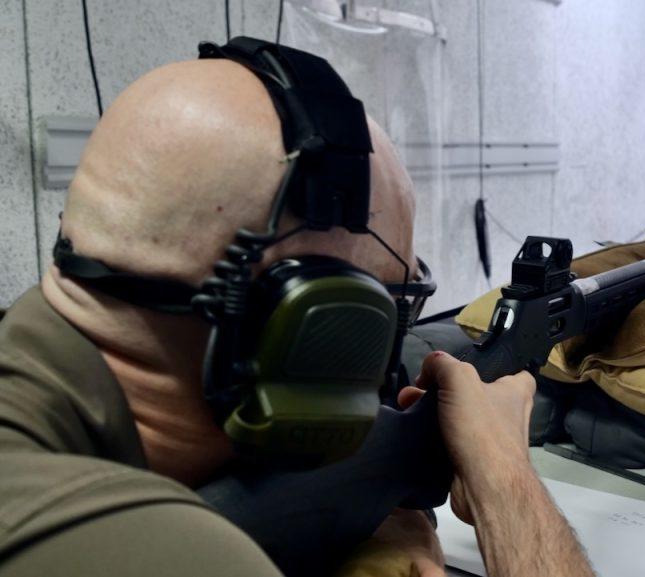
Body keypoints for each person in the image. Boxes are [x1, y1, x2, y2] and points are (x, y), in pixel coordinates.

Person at [0, 45, 594, 577]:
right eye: (387, 318)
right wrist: (502, 472)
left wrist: (372, 521)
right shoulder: (175, 552)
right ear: (317, 331)